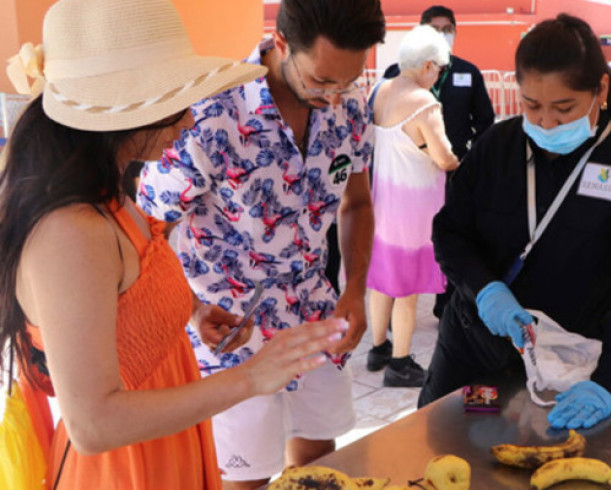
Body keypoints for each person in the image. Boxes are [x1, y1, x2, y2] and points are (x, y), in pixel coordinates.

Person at [0, 0, 348, 488]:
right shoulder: (69, 232)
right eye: (176, 105)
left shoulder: (112, 196)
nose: (187, 124)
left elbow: (127, 298)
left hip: (170, 443)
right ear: (125, 113)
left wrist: (191, 312)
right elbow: (94, 424)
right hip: (125, 469)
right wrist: (249, 378)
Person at [136, 0, 384, 487]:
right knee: (245, 478)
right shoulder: (209, 115)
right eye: (320, 81)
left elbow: (356, 204)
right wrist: (190, 307)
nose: (335, 98)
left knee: (319, 465)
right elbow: (146, 227)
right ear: (282, 44)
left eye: (347, 82)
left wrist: (355, 289)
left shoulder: (350, 107)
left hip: (315, 316)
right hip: (230, 332)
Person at [418, 14, 611, 430]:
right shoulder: (498, 146)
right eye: (532, 106)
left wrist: (607, 381)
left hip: (567, 366)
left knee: (540, 456)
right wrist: (485, 289)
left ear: (600, 90)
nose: (546, 122)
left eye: (563, 108)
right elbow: (451, 232)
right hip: (476, 351)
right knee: (461, 443)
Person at [382, 5, 496, 322]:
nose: (443, 34)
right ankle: (393, 305)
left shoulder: (468, 72)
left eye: (448, 28)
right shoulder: (395, 74)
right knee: (403, 240)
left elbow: (485, 120)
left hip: (452, 171)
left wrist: (469, 158)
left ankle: (446, 304)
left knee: (450, 237)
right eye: (435, 28)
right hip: (406, 174)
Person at [366, 25, 459, 387]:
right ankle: (401, 363)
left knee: (383, 281)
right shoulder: (425, 102)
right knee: (406, 290)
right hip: (414, 207)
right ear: (427, 66)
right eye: (439, 68)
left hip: (383, 201)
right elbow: (445, 157)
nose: (438, 75)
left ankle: (378, 349)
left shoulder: (380, 91)